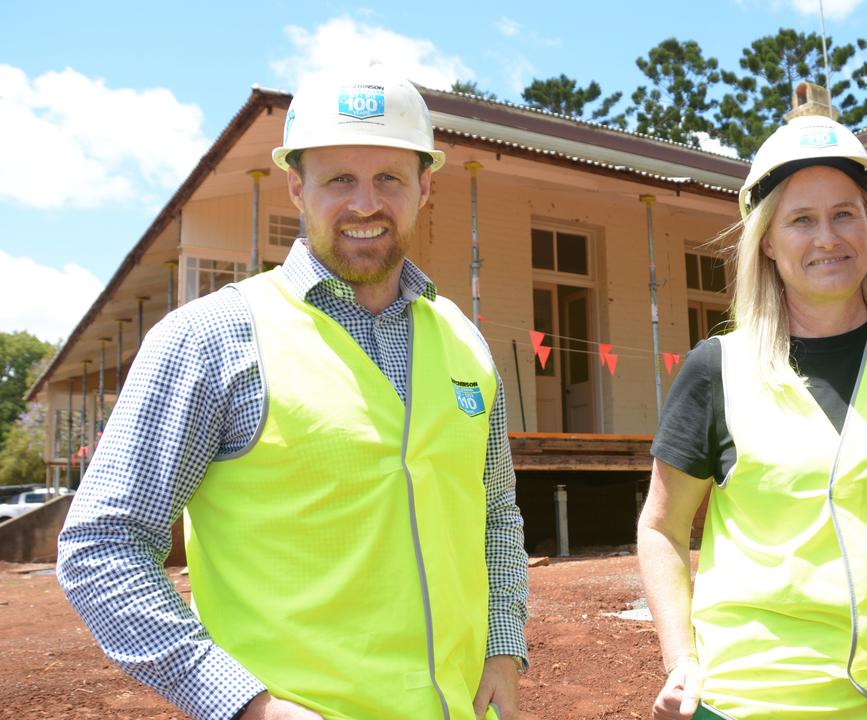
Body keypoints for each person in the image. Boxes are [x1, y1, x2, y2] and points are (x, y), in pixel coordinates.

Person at [57, 68, 528, 720]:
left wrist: (502, 646)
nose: (366, 202)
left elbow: (495, 513)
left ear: (425, 187)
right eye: (339, 179)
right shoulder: (214, 338)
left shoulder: (465, 343)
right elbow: (102, 545)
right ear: (295, 188)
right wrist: (246, 706)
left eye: (389, 177)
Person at [638, 96, 867, 720]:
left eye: (845, 214)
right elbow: (663, 528)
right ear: (766, 243)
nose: (828, 237)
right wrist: (682, 658)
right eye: (801, 220)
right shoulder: (716, 370)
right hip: (764, 701)